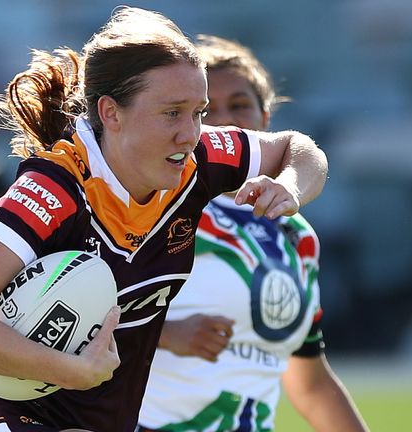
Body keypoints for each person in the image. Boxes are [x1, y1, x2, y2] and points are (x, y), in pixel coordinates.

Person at [0, 7, 328, 432]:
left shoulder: (197, 162)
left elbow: (296, 148)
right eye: (172, 113)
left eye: (198, 112)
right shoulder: (56, 189)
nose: (191, 133)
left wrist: (292, 187)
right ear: (111, 113)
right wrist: (68, 370)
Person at [137, 35, 368, 432]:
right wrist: (165, 333)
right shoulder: (154, 205)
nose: (224, 119)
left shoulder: (298, 238)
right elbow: (79, 315)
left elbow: (310, 384)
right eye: (207, 110)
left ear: (265, 120)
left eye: (240, 105)